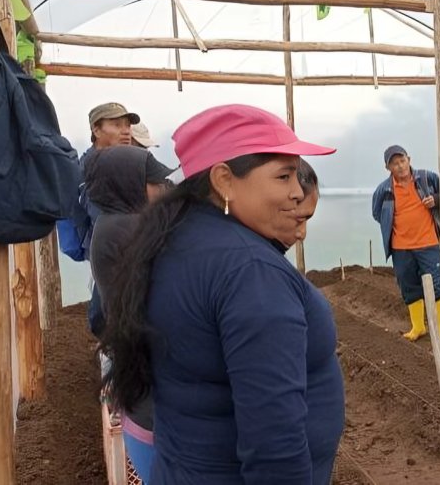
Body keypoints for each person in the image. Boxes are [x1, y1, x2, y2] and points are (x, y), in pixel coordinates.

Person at [99, 104, 344, 484]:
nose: (298, 191)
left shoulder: (175, 240)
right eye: (284, 176)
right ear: (224, 180)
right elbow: (273, 441)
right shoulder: (249, 271)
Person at [85, 146, 174, 483]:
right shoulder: (130, 229)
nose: (161, 190)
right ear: (129, 185)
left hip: (135, 360)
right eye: (154, 182)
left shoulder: (113, 225)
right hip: (148, 365)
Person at [56, 102, 140, 336]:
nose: (126, 131)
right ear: (96, 130)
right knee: (109, 321)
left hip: (115, 251)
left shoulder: (120, 161)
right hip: (107, 254)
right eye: (116, 124)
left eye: (127, 125)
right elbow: (97, 215)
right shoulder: (89, 170)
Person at [372, 145, 440, 341]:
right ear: (388, 168)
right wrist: (394, 225)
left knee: (437, 284)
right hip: (400, 247)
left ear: (409, 159)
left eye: (402, 160)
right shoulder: (384, 189)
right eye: (394, 163)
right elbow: (376, 213)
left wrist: (436, 200)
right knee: (409, 285)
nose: (399, 166)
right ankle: (418, 327)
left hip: (428, 242)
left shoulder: (427, 178)